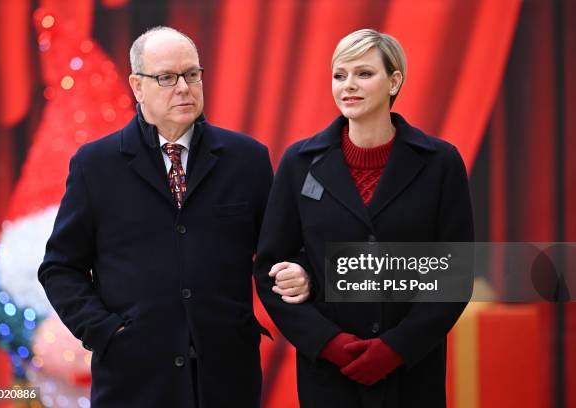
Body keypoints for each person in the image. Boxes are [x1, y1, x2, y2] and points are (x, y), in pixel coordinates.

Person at [38, 26, 311, 408]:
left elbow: (280, 249)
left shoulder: (246, 158)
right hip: (133, 379)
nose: (183, 87)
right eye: (166, 77)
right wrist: (105, 331)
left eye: (192, 74)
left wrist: (297, 269)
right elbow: (60, 268)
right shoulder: (95, 165)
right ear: (137, 85)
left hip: (227, 377)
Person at [254, 28, 474, 407]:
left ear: (394, 81)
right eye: (340, 75)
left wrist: (397, 348)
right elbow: (270, 268)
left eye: (364, 74)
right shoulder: (298, 162)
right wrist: (329, 344)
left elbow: (454, 274)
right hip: (328, 376)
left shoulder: (441, 162)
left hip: (412, 374)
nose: (348, 86)